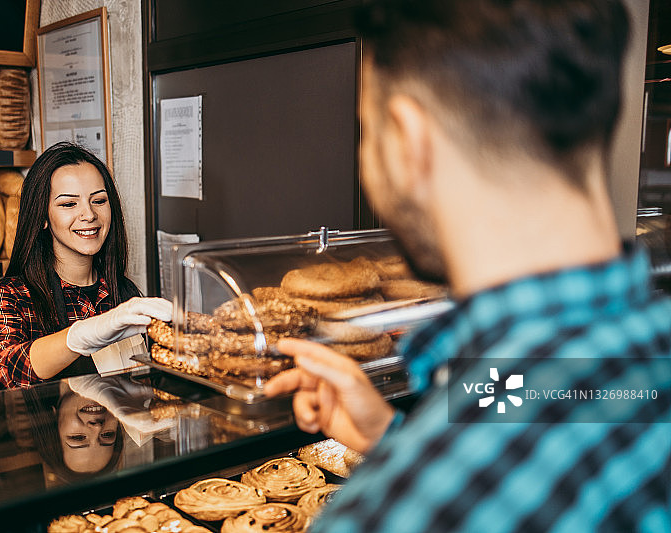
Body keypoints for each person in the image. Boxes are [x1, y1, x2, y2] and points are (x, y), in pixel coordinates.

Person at [265, 0, 671, 531]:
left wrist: (415, 465)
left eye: (367, 131)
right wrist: (399, 439)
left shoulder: (387, 515)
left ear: (410, 142)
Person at [0, 142, 171, 390]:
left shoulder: (123, 293)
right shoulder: (11, 296)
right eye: (69, 204)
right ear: (42, 217)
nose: (89, 214)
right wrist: (79, 336)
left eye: (99, 201)